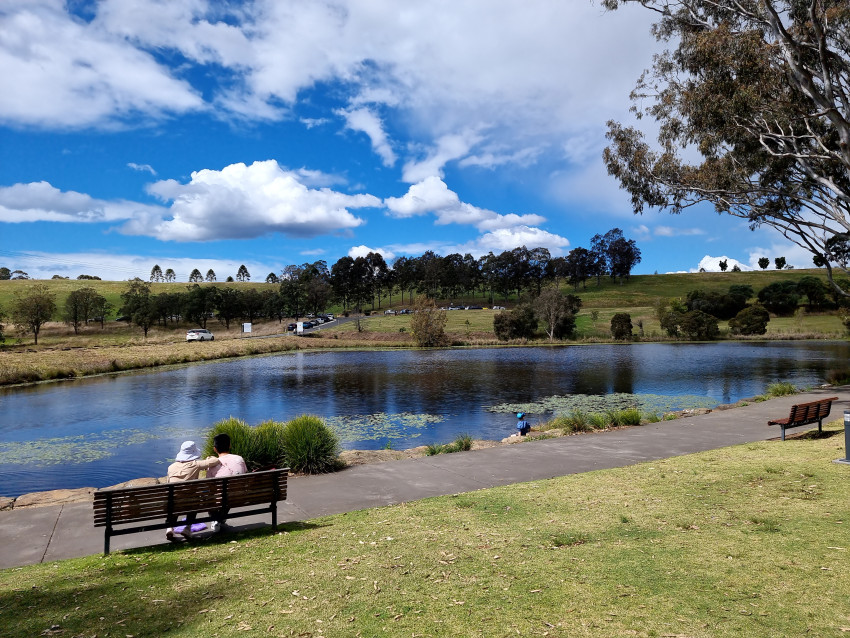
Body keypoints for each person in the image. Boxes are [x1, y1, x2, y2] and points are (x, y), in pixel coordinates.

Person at [165, 440, 220, 541]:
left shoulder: (171, 467)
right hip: (190, 502)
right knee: (194, 499)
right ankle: (187, 528)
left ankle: (169, 528)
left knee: (175, 499)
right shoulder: (195, 464)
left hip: (174, 502)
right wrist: (209, 458)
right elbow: (215, 461)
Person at [207, 433, 247, 531]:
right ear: (229, 446)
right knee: (229, 493)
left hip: (222, 497)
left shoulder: (212, 464)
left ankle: (216, 520)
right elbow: (245, 473)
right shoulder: (239, 459)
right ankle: (221, 519)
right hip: (239, 495)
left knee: (211, 495)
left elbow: (209, 485)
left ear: (215, 449)